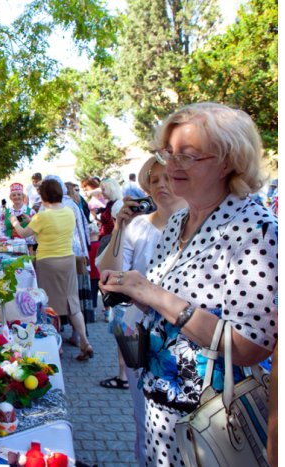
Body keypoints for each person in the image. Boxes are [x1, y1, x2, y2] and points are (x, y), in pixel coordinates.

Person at [99, 103, 277, 466]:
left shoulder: (256, 230)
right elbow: (172, 307)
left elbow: (250, 346)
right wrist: (135, 291)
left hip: (212, 421)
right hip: (161, 408)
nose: (173, 164)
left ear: (228, 161)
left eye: (188, 155)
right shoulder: (180, 220)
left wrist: (152, 293)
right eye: (169, 153)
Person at [96, 156, 187, 466]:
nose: (161, 185)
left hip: (190, 337)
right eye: (154, 179)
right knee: (145, 418)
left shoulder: (204, 224)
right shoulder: (137, 227)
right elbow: (109, 274)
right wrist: (120, 227)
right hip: (144, 336)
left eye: (168, 177)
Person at [10, 178, 93, 361]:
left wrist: (14, 222)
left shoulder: (43, 215)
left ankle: (56, 346)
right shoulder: (69, 211)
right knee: (73, 304)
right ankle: (85, 341)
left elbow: (24, 234)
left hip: (48, 261)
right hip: (68, 260)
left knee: (46, 305)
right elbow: (50, 227)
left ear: (43, 194)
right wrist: (31, 220)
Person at [98, 177, 123, 242]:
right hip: (108, 239)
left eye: (103, 190)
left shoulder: (117, 205)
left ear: (111, 190)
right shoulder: (111, 203)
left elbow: (119, 226)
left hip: (112, 240)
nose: (102, 192)